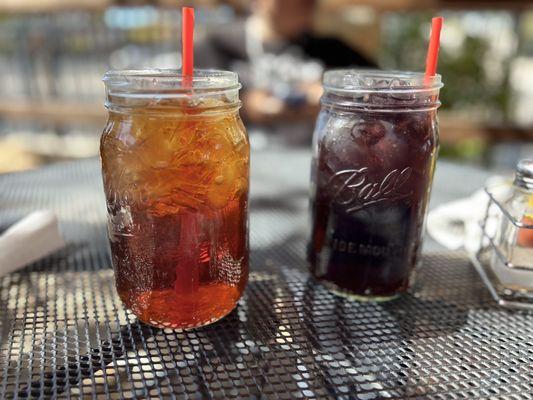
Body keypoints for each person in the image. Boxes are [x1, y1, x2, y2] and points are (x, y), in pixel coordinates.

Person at [197, 0, 377, 144]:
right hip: (244, 161)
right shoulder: (218, 44)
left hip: (310, 160)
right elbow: (199, 108)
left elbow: (378, 90)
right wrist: (253, 104)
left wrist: (335, 96)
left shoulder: (332, 49)